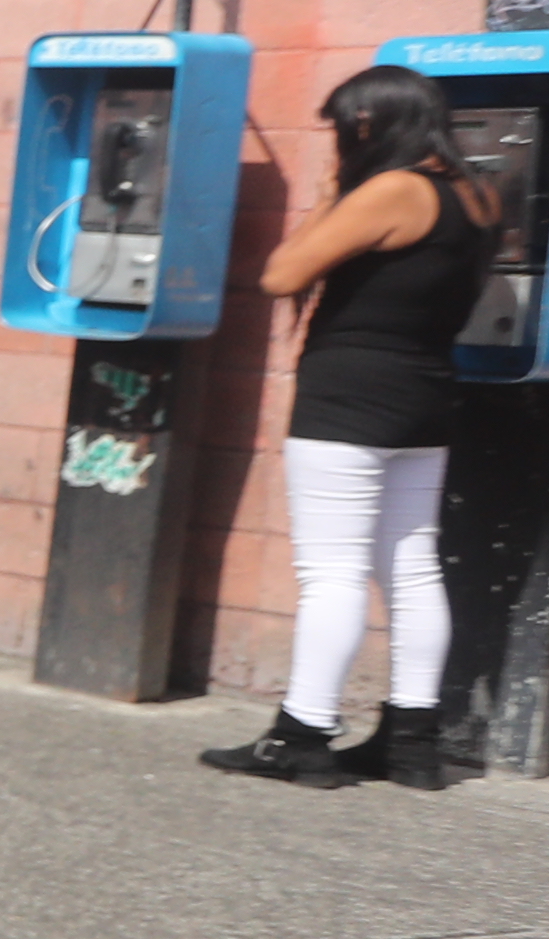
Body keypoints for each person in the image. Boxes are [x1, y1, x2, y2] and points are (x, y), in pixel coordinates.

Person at [198, 64, 503, 793]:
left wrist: (335, 192)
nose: (338, 140)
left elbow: (282, 274)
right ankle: (411, 744)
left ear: (369, 124)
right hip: (426, 396)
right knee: (412, 564)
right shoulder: (479, 193)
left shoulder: (395, 191)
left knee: (331, 573)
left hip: (350, 402)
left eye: (342, 128)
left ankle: (301, 737)